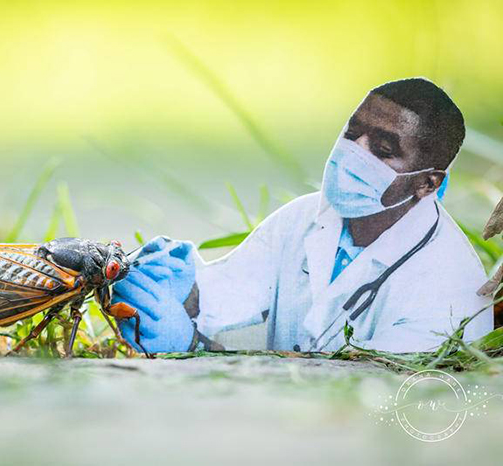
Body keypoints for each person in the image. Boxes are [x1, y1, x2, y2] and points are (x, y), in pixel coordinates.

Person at [112, 78, 493, 354]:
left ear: (427, 183)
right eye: (352, 132)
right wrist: (181, 289)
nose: (353, 153)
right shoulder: (303, 217)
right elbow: (233, 288)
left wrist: (195, 347)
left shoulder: (449, 285)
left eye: (382, 148)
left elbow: (364, 385)